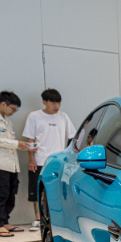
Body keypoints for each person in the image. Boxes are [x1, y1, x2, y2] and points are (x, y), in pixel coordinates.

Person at [0, 91, 35, 237]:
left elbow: (8, 143)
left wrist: (21, 146)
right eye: (13, 109)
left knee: (11, 194)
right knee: (0, 194)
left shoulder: (7, 121)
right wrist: (16, 143)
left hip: (10, 164)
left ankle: (6, 222)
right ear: (3, 104)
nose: (14, 112)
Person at [23, 89, 76, 231]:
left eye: (58, 102)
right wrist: (31, 160)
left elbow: (72, 136)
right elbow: (30, 139)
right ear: (44, 102)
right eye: (53, 102)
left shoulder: (63, 117)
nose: (56, 106)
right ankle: (38, 218)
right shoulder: (34, 116)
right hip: (40, 160)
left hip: (58, 162)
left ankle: (57, 219)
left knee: (58, 190)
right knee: (37, 190)